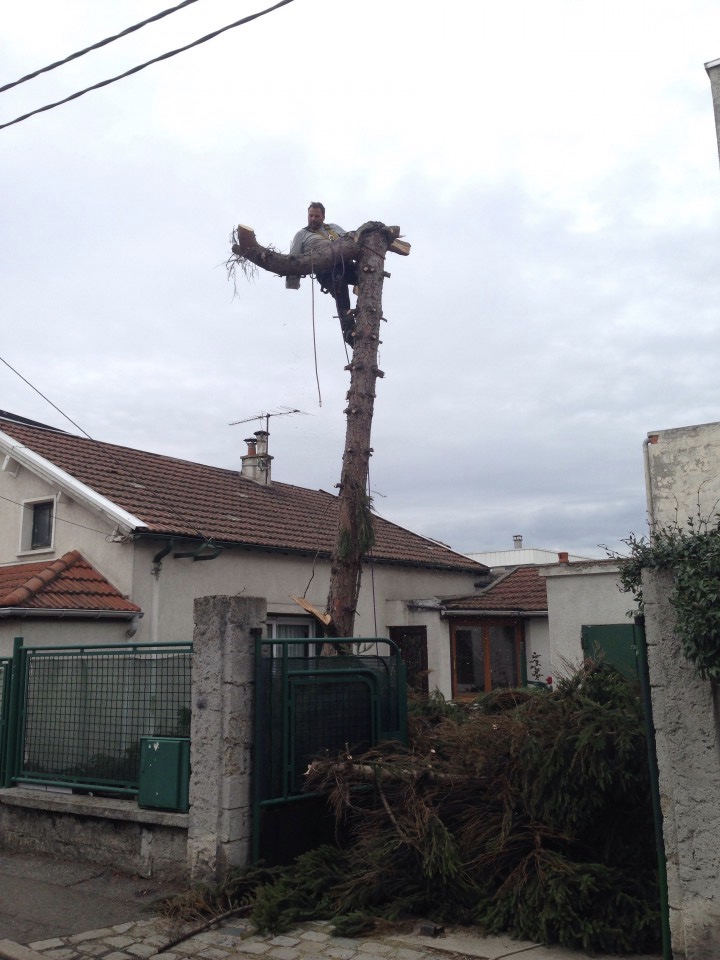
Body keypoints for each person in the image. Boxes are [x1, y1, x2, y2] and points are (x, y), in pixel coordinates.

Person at [286, 202, 358, 344]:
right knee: (340, 292)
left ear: (323, 217)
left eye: (317, 216)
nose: (313, 219)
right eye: (311, 215)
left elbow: (351, 240)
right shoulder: (301, 234)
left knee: (366, 275)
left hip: (345, 264)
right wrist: (292, 281)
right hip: (326, 270)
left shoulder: (333, 228)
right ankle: (349, 331)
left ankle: (365, 311)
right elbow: (292, 259)